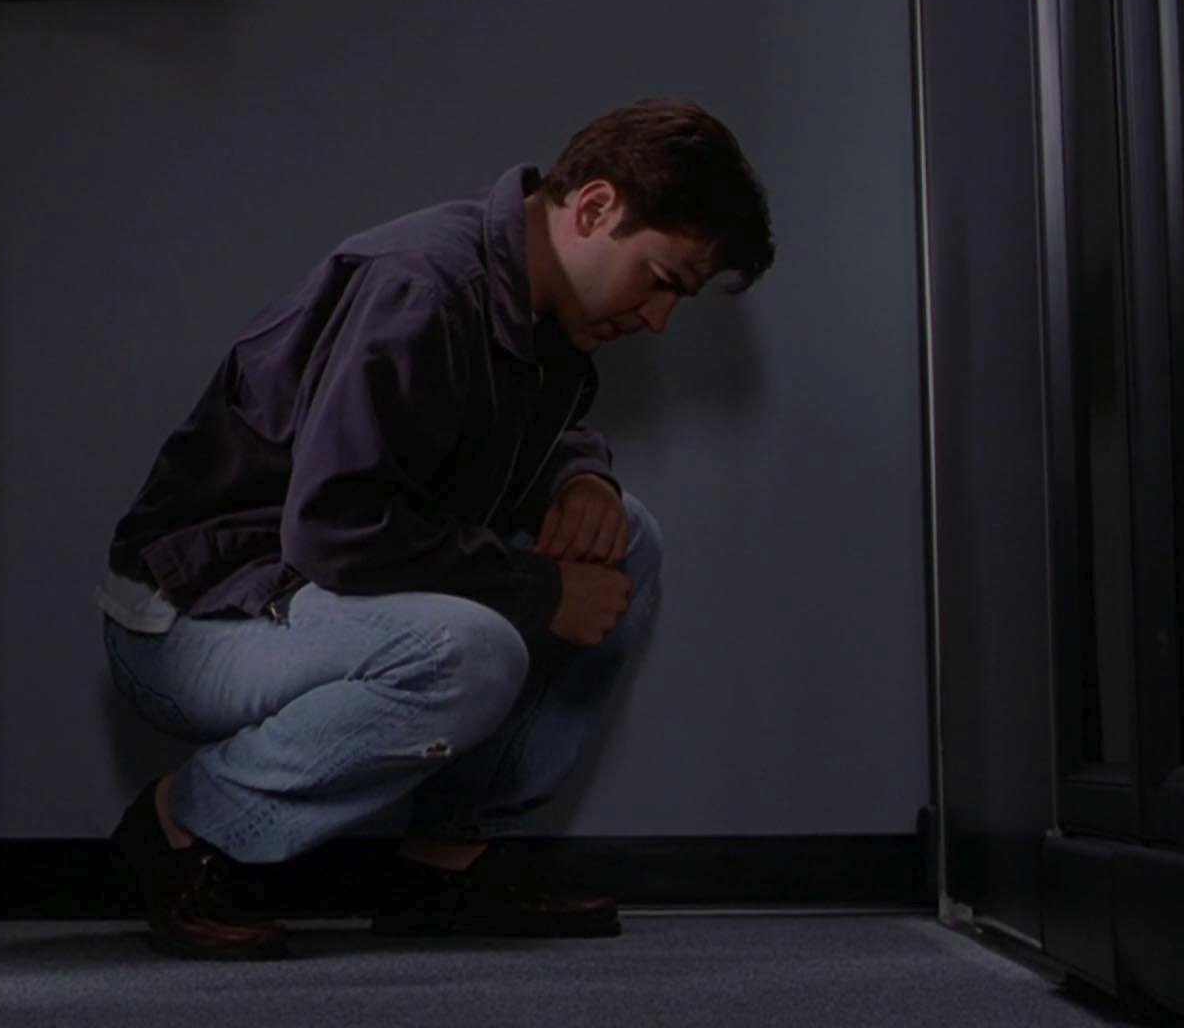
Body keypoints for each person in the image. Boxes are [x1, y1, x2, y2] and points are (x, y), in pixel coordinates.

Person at [94, 98, 775, 959]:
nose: (658, 318)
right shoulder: (422, 286)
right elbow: (334, 528)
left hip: (299, 599)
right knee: (472, 651)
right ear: (596, 207)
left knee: (626, 541)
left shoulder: (539, 306)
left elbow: (486, 427)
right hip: (190, 622)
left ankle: (446, 866)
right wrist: (542, 591)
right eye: (662, 279)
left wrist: (581, 476)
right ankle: (181, 831)